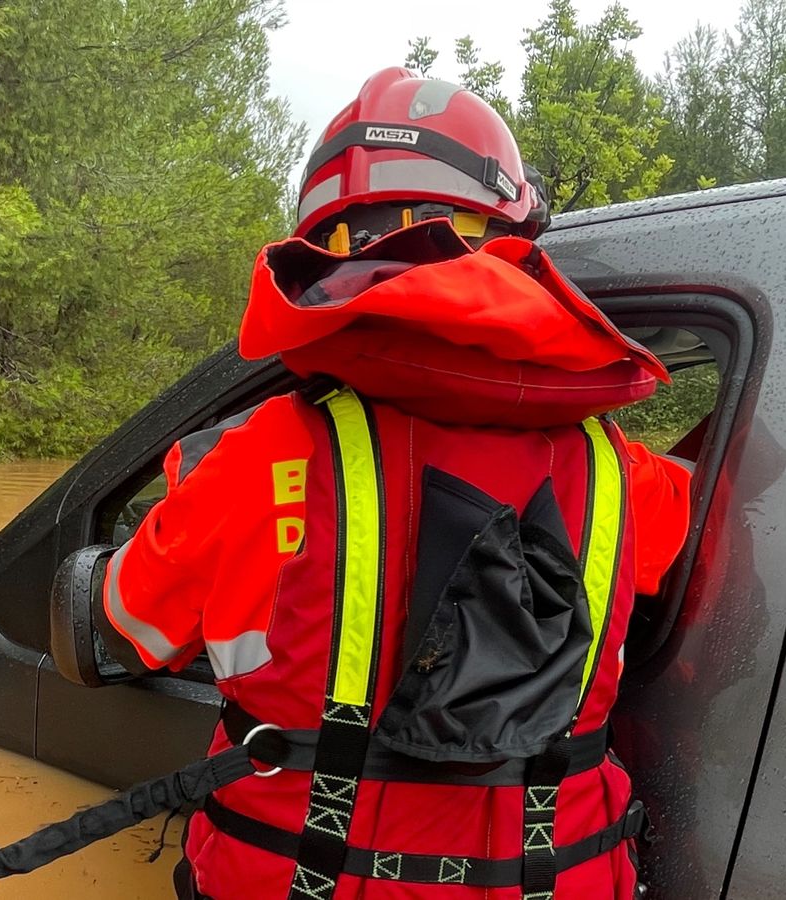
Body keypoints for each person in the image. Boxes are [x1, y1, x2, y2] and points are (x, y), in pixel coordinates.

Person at [97, 67, 693, 900]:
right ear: (508, 232)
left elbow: (123, 627)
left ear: (326, 251)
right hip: (554, 880)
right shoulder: (629, 474)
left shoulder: (255, 459)